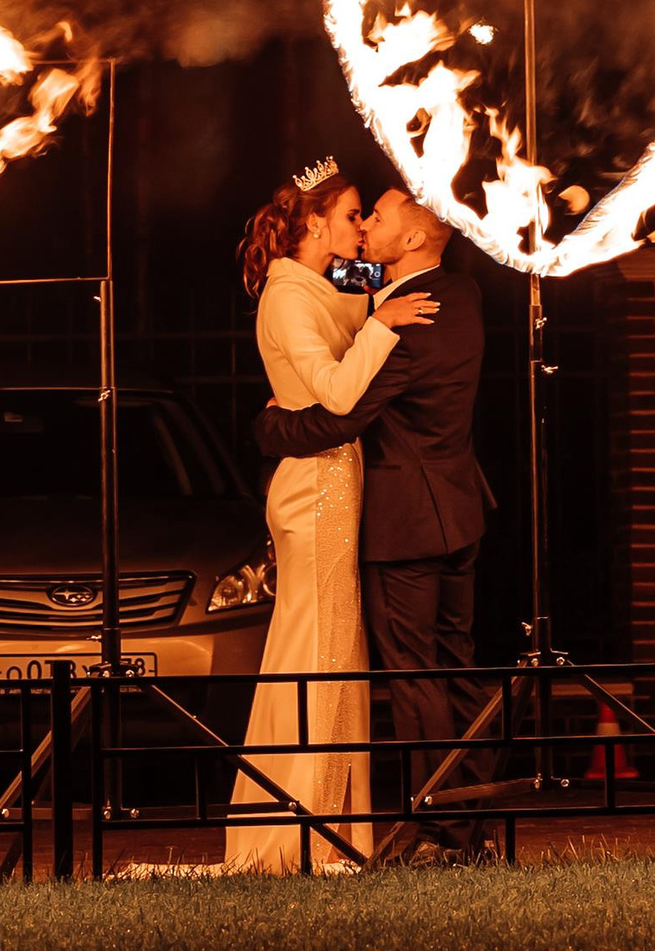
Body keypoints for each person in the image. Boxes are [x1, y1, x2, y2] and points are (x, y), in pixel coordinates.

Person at [253, 189, 493, 862]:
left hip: (407, 524)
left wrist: (268, 425)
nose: (366, 229)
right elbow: (331, 272)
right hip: (461, 510)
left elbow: (339, 417)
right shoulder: (460, 291)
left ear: (413, 241)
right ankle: (470, 826)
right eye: (358, 214)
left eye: (377, 217)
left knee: (417, 677)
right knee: (458, 668)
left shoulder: (407, 325)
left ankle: (437, 833)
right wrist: (322, 244)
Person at [216, 159, 436, 874]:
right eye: (350, 217)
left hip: (338, 483)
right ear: (314, 223)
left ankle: (334, 830)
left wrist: (392, 285)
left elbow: (384, 279)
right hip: (314, 491)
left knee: (339, 655)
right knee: (315, 654)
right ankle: (300, 832)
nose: (360, 229)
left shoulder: (325, 281)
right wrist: (386, 324)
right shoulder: (287, 297)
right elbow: (339, 394)